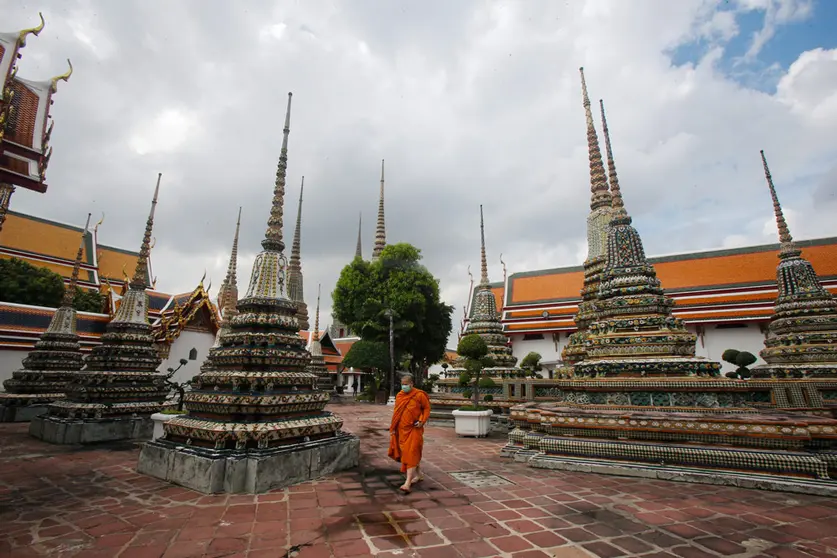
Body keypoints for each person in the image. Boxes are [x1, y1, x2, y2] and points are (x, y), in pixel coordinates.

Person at [387, 373, 431, 493]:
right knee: (407, 453)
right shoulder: (400, 395)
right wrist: (394, 428)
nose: (404, 387)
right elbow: (397, 413)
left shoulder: (419, 395)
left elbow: (426, 408)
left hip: (414, 429)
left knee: (411, 453)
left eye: (406, 384)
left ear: (411, 384)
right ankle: (419, 475)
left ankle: (407, 482)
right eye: (402, 384)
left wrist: (422, 421)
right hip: (401, 429)